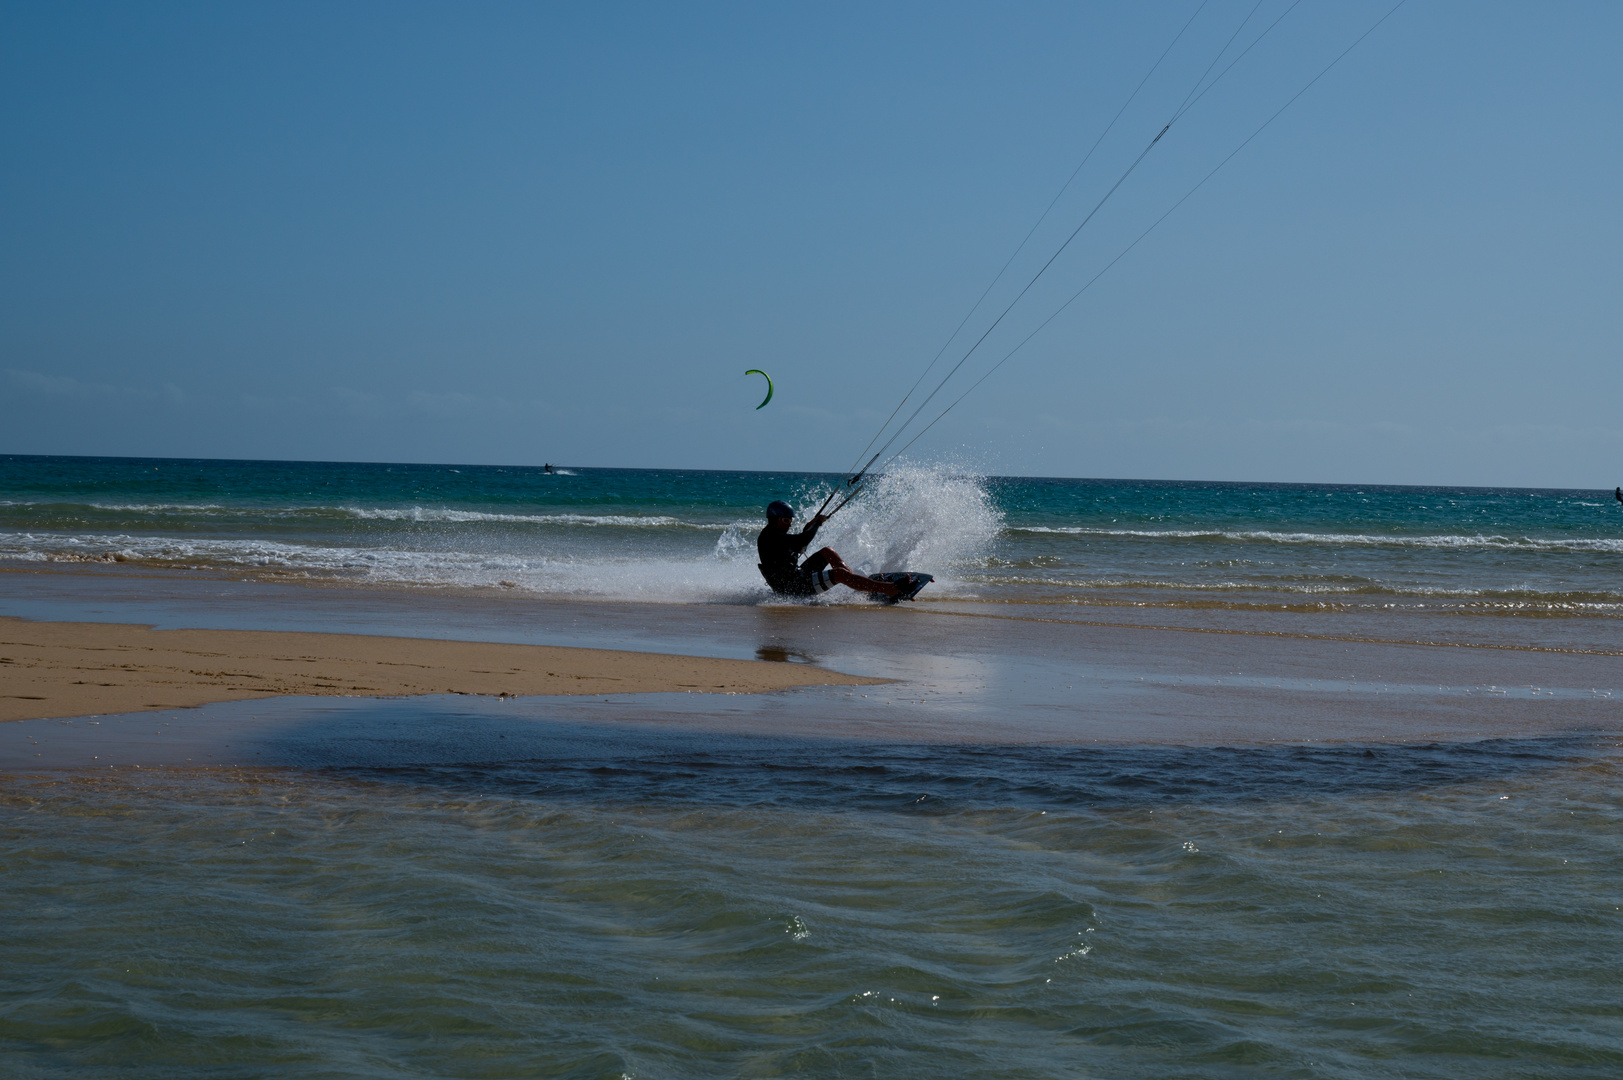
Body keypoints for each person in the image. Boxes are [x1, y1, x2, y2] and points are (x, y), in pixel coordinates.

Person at [756, 500, 902, 599]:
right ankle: (888, 589)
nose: (789, 524)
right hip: (793, 589)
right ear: (775, 519)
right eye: (786, 520)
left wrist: (811, 525)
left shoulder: (777, 534)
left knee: (828, 552)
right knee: (839, 574)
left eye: (790, 520)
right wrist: (817, 522)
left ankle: (861, 585)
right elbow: (802, 540)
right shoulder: (769, 537)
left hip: (796, 577)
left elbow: (799, 540)